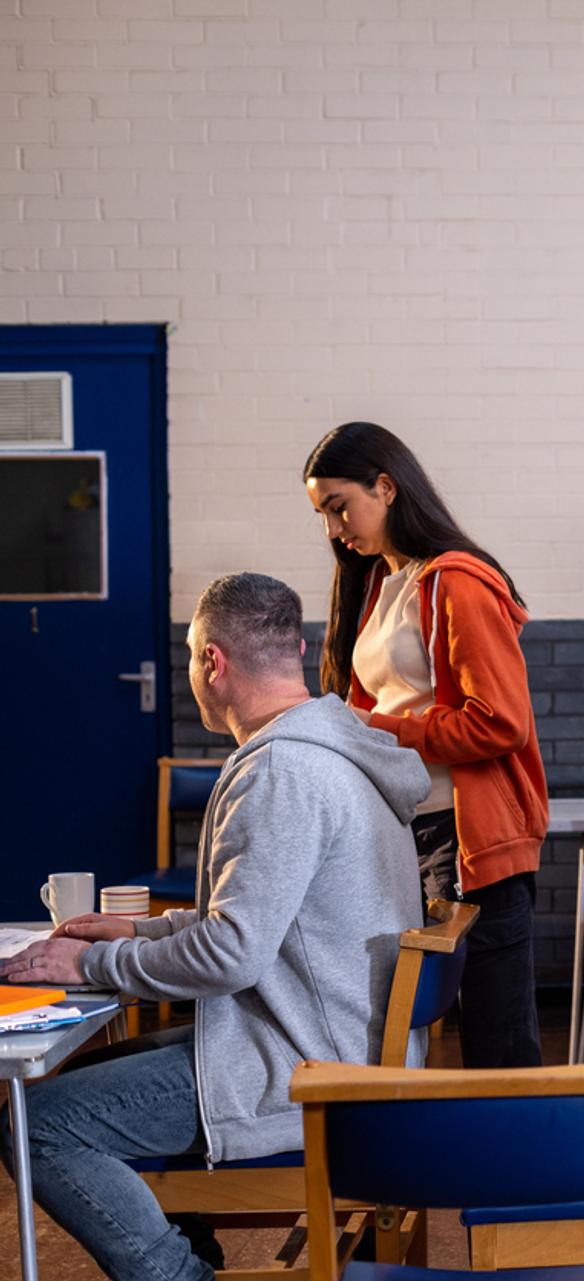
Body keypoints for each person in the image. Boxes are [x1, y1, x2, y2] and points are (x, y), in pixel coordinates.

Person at [0, 573, 426, 1281]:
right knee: (78, 1080)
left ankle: (179, 1273)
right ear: (294, 649)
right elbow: (265, 920)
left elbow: (233, 955)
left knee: (34, 1122)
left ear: (212, 663)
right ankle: (192, 1249)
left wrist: (84, 966)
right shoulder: (333, 745)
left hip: (309, 1071)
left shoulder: (281, 771)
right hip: (334, 1042)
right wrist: (140, 935)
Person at [304, 421, 547, 1069]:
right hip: (407, 835)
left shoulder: (455, 580)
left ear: (385, 486)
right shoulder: (381, 585)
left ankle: (517, 1167)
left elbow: (500, 722)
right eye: (323, 515)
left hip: (470, 840)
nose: (334, 528)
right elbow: (370, 712)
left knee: (497, 1044)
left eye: (339, 507)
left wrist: (374, 730)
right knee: (405, 1026)